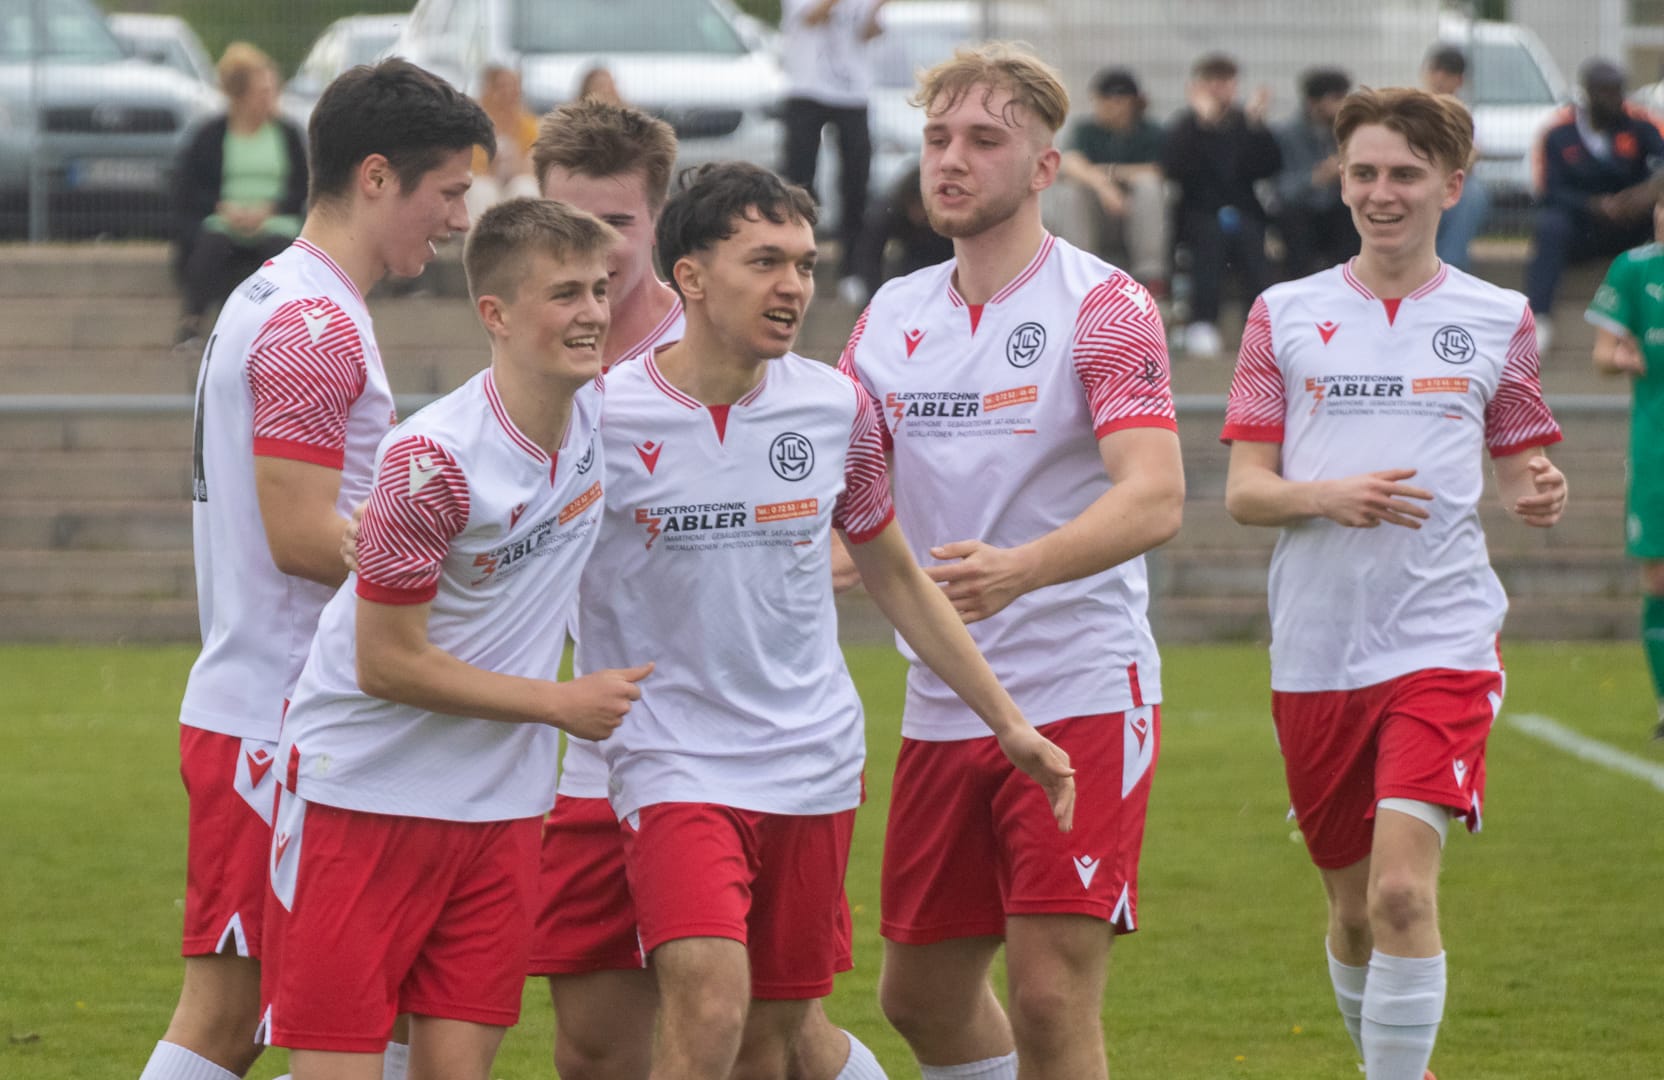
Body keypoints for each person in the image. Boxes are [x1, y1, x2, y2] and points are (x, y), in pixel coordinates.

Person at [581, 160, 1075, 1080]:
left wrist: (1010, 724)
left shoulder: (837, 405)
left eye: (805, 264)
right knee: (709, 1001)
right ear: (690, 276)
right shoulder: (600, 414)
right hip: (670, 757)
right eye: (765, 262)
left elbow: (896, 576)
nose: (794, 286)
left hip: (811, 760)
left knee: (769, 1040)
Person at [139, 59, 494, 1080]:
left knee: (373, 1005)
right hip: (276, 725)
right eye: (448, 191)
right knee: (230, 1018)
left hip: (301, 716)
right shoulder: (312, 324)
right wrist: (459, 572)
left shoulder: (283, 297)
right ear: (376, 176)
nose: (460, 218)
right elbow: (300, 536)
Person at [839, 43, 1185, 1080]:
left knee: (1047, 994)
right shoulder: (889, 314)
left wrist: (1019, 569)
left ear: (1044, 168)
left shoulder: (1103, 303)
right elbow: (847, 509)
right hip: (944, 697)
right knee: (919, 997)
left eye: (984, 140)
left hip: (1080, 686)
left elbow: (1155, 494)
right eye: (937, 137)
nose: (950, 159)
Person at [527, 104, 887, 1080]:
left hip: (770, 746)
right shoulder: (557, 378)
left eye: (612, 225)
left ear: (659, 234)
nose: (590, 252)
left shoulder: (778, 363)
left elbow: (860, 530)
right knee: (599, 1048)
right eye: (564, 225)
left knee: (758, 1025)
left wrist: (778, 556)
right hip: (609, 751)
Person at [1221, 87, 1567, 1080]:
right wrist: (1324, 495)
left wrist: (1538, 488)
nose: (1381, 193)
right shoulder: (1282, 314)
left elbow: (1520, 469)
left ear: (1451, 187)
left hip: (1441, 640)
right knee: (1351, 912)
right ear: (1340, 181)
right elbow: (1245, 494)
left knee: (1402, 895)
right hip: (1316, 649)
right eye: (1363, 172)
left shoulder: (1498, 317)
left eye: (1405, 175)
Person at [262, 197, 648, 1080]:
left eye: (599, 290)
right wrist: (558, 703)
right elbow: (385, 662)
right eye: (564, 294)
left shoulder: (603, 413)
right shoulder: (431, 461)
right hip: (363, 795)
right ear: (495, 315)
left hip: (500, 809)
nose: (592, 313)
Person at [1584, 174, 1664, 740]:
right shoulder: (1634, 270)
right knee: (1659, 577)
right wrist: (1620, 358)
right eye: (1661, 207)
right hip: (1656, 443)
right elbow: (1602, 354)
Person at [172, 42, 307, 347]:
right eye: (262, 92)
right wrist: (223, 209)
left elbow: (302, 186)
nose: (270, 98)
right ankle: (192, 323)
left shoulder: (287, 134)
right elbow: (190, 188)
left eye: (272, 91)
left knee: (279, 249)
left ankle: (282, 329)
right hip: (225, 219)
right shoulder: (210, 135)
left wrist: (270, 210)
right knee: (211, 245)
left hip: (274, 219)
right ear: (239, 96)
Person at [1526, 58, 1664, 354]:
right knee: (1550, 225)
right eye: (1605, 91)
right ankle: (1539, 320)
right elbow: (1548, 191)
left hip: (1631, 227)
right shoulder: (1558, 132)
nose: (1614, 99)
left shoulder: (1642, 125)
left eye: (1618, 90)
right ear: (1587, 92)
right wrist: (1594, 205)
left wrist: (1642, 196)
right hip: (1582, 229)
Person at [1162, 52, 1282, 357]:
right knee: (1208, 242)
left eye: (1225, 81)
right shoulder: (1186, 125)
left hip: (1244, 213)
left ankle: (1260, 326)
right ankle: (1203, 323)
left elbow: (1267, 166)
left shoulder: (1246, 122)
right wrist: (1204, 127)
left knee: (1253, 244)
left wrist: (1257, 127)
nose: (1218, 88)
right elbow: (1175, 169)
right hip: (1200, 214)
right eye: (1211, 81)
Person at [779, 0, 889, 305]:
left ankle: (852, 269)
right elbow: (811, 17)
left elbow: (868, 32)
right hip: (806, 89)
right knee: (799, 179)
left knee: (856, 183)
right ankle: (796, 261)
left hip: (853, 92)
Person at [1057, 67, 1169, 294]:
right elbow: (1069, 162)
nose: (1102, 107)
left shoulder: (1150, 131)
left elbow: (1158, 170)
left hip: (1137, 217)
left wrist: (1110, 172)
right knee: (1070, 191)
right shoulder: (1085, 130)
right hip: (1096, 216)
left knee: (1149, 187)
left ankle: (1150, 274)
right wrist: (1103, 186)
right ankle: (1080, 269)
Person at [1275, 67, 1359, 279]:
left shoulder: (1348, 131)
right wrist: (1317, 178)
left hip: (1336, 208)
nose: (1343, 105)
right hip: (1302, 209)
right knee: (1293, 220)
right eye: (1336, 98)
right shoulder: (1286, 134)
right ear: (1314, 102)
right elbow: (1282, 189)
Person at [1421, 45, 1489, 272]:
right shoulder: (1409, 109)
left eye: (1447, 73)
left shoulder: (1464, 114)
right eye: (1435, 71)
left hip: (1447, 181)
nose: (1439, 78)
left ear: (1459, 80)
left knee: (1472, 193)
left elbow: (1471, 155)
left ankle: (1449, 269)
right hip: (1416, 180)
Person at [849, 163, 954, 299]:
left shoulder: (948, 216)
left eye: (924, 208)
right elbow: (869, 255)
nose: (920, 214)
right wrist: (874, 296)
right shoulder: (888, 214)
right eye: (916, 207)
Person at [467, 65, 542, 219]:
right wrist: (492, 166)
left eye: (513, 86)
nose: (508, 93)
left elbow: (534, 164)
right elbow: (470, 168)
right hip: (485, 181)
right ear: (488, 89)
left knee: (525, 186)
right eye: (501, 87)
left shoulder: (529, 125)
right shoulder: (475, 124)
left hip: (514, 181)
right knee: (483, 189)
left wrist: (518, 167)